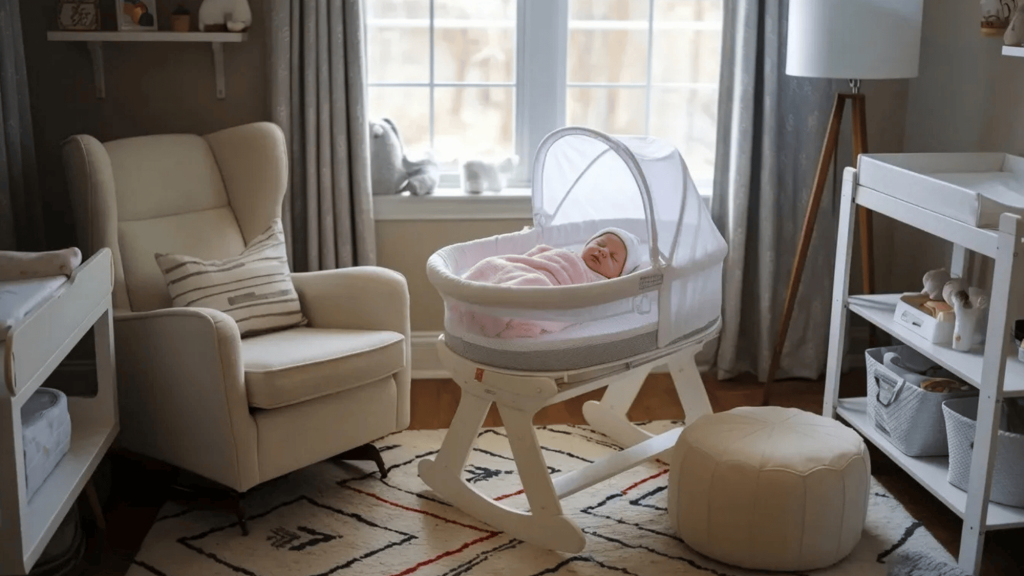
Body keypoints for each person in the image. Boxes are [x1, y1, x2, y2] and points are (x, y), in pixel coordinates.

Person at [453, 227, 645, 338]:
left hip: (544, 286)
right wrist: (511, 263)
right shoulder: (567, 253)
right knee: (492, 265)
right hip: (528, 268)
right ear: (587, 245)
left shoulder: (601, 285)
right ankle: (470, 293)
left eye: (613, 257)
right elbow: (532, 256)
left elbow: (579, 307)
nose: (603, 252)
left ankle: (488, 315)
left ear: (618, 275)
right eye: (600, 244)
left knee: (531, 286)